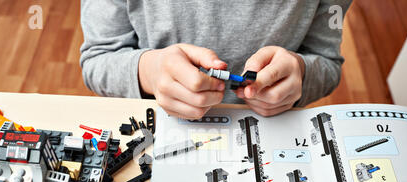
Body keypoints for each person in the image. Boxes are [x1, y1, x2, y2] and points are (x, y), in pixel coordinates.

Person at [80, 1, 352, 119]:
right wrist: (149, 72)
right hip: (158, 124)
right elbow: (98, 59)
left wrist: (302, 75)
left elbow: (327, 62)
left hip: (268, 129)